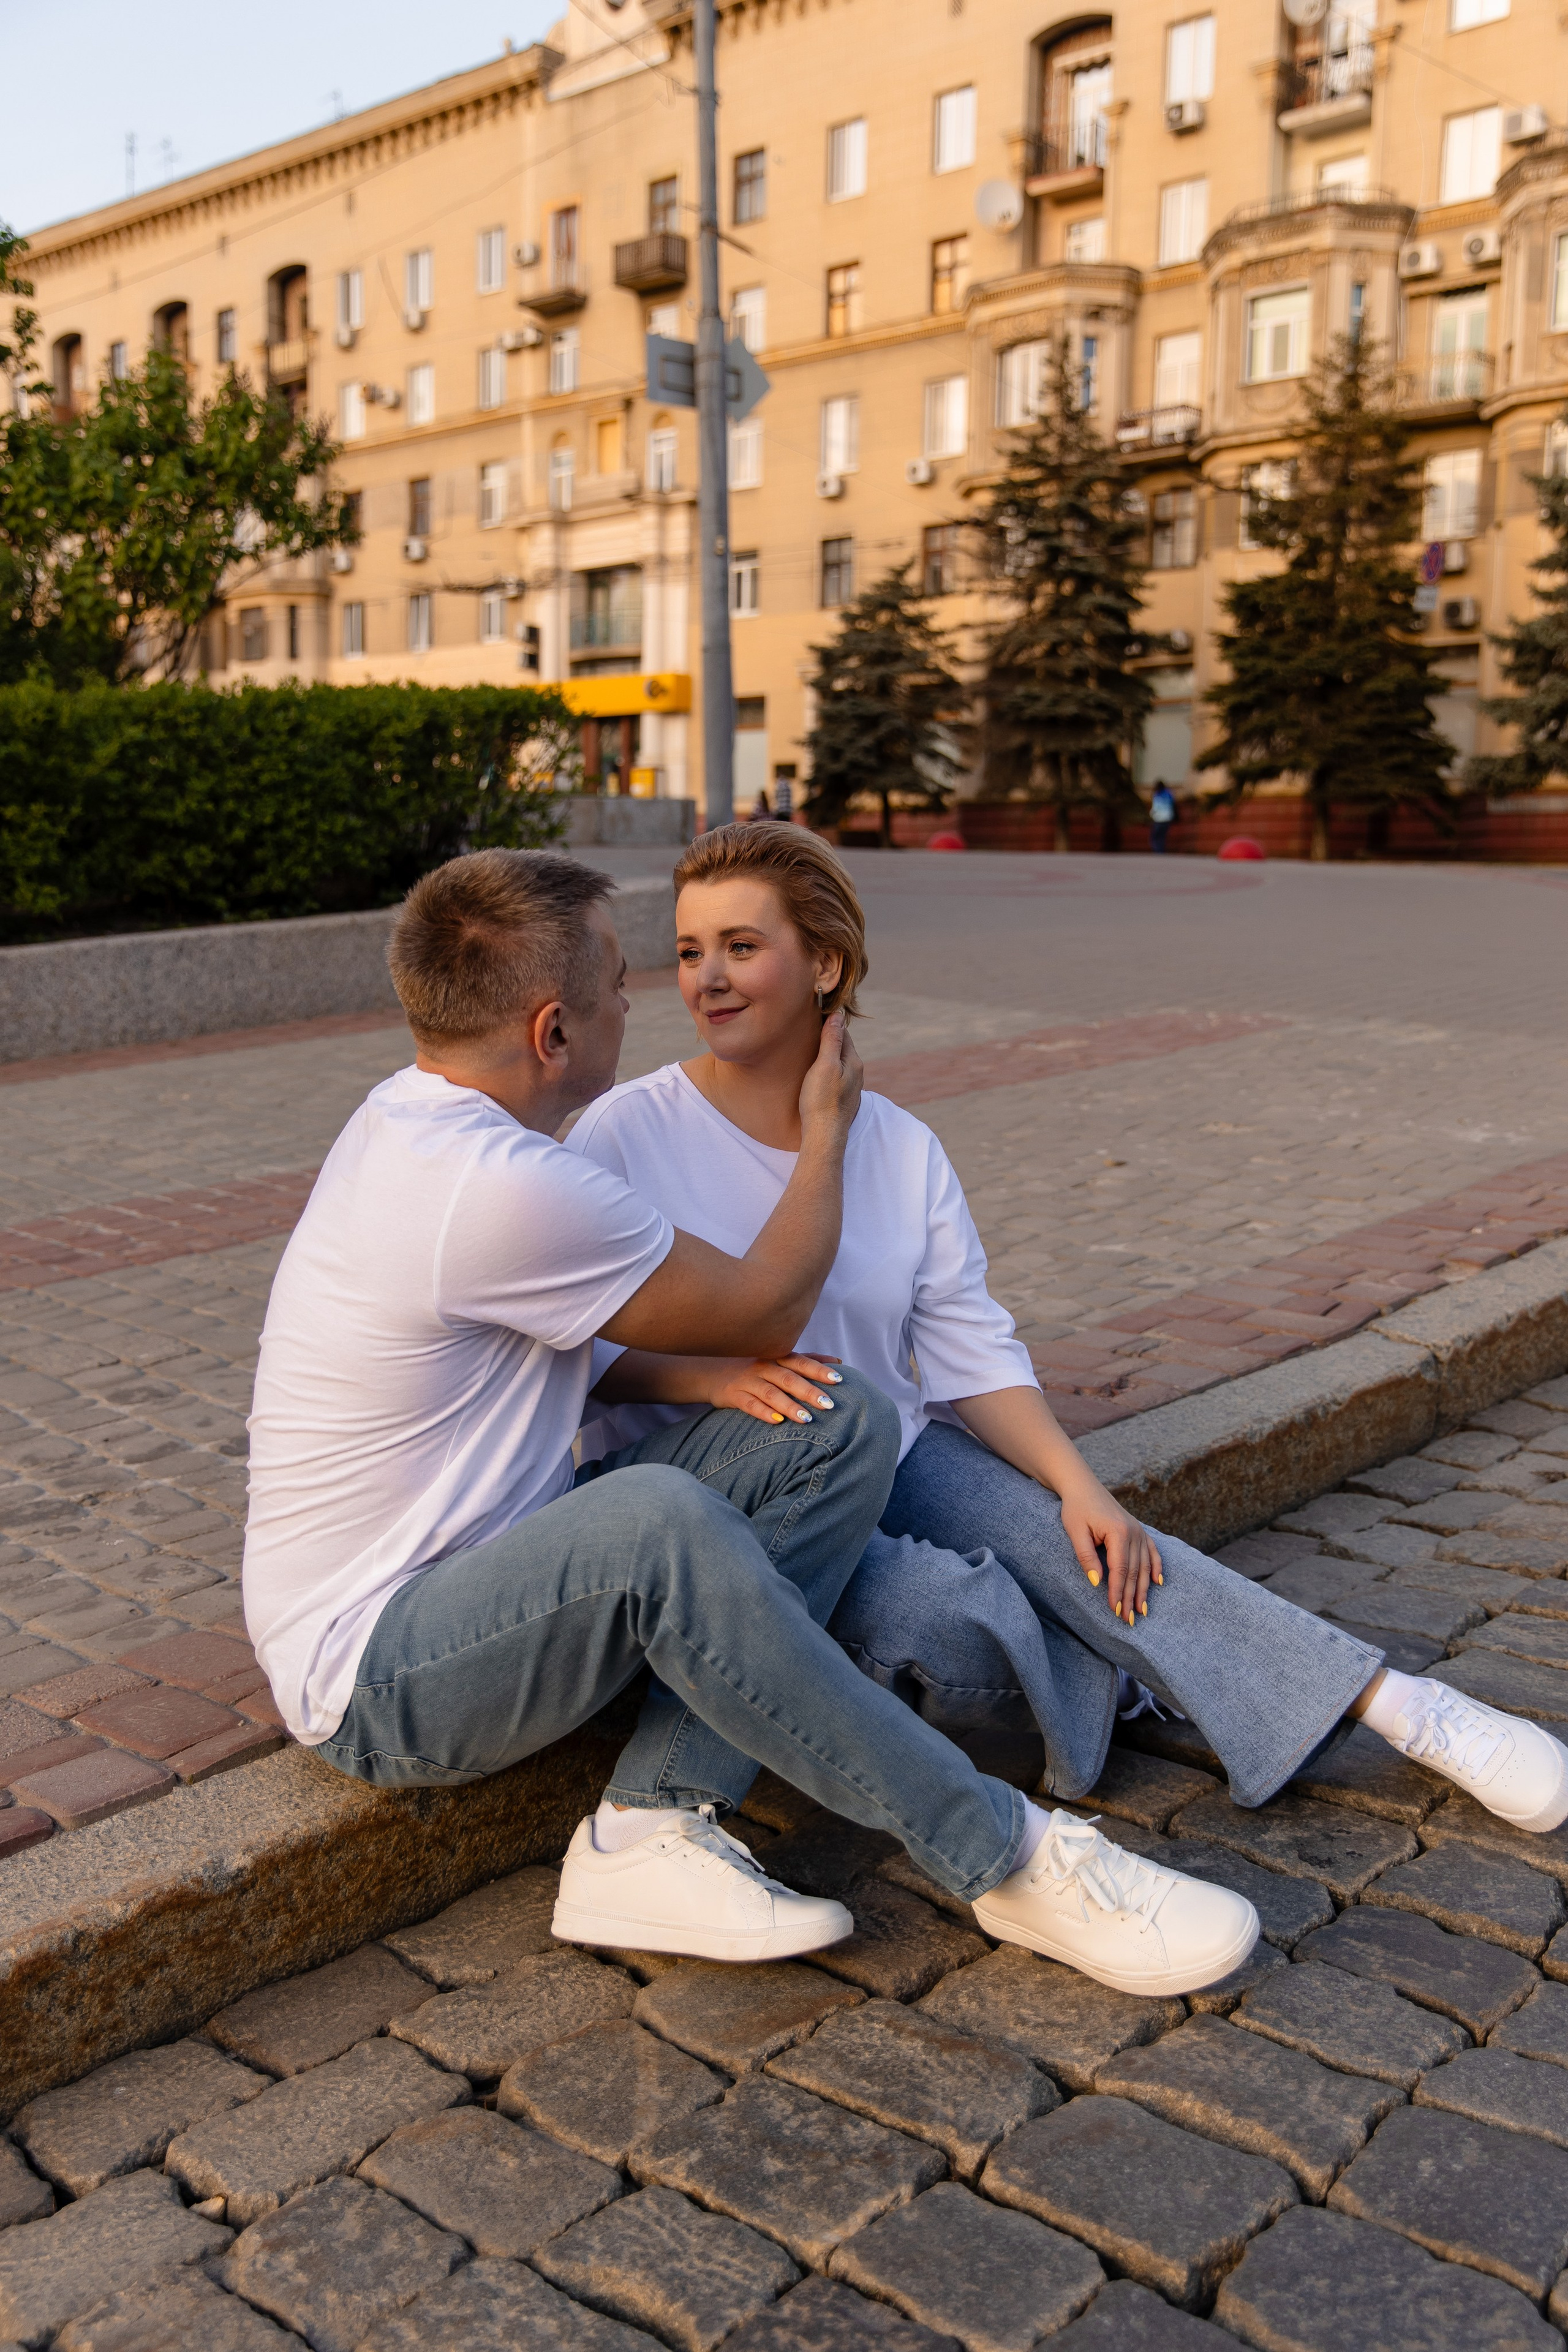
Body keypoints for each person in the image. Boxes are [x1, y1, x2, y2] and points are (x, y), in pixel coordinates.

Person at [242, 847, 1257, 1996]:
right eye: (621, 982)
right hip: (378, 1673)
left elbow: (679, 1356)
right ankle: (1009, 1856)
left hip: (489, 1567)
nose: (647, 1000)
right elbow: (767, 1307)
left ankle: (651, 1827)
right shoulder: (499, 1187)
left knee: (837, 1415)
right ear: (553, 1033)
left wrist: (706, 1384)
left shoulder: (419, 1121)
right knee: (658, 1520)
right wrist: (826, 1133)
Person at [567, 821, 1568, 1901]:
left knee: (1089, 1546)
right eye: (689, 952)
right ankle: (1132, 1676)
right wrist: (709, 1379)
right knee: (945, 1627)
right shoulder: (625, 1134)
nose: (707, 978)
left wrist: (1081, 1487)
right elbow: (573, 1354)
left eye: (741, 947)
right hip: (731, 1490)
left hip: (892, 1451)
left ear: (826, 965)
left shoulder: (901, 1145)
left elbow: (968, 1349)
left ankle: (1396, 1704)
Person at [1149, 782, 1177, 854]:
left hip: (1158, 818)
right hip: (1167, 817)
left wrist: (1151, 815)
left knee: (1156, 836)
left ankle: (1157, 850)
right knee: (1163, 836)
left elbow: (1155, 807)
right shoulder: (1169, 794)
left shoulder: (1157, 794)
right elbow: (1173, 804)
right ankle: (1161, 850)